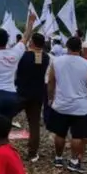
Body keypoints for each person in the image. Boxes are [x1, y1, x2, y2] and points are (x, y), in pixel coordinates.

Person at [47, 37, 87, 173]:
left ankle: (58, 158)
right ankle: (74, 161)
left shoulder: (56, 62)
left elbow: (51, 82)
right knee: (77, 136)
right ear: (80, 48)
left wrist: (50, 98)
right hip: (80, 107)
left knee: (60, 134)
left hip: (61, 105)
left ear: (67, 47)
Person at [14, 33, 51, 162]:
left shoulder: (23, 56)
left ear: (32, 42)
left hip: (22, 92)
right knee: (34, 124)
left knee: (6, 116)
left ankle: (1, 145)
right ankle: (32, 153)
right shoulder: (46, 57)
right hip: (38, 93)